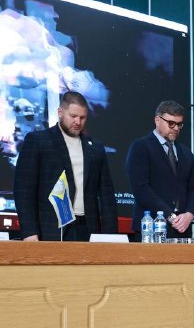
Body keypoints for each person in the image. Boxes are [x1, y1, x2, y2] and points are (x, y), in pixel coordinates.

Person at [14, 90, 118, 241]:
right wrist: (29, 231)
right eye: (73, 116)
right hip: (50, 229)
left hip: (88, 228)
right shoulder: (38, 141)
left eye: (82, 117)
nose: (78, 122)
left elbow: (107, 194)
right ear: (60, 113)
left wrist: (111, 236)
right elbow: (23, 189)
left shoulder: (96, 147)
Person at [125, 100, 194, 240]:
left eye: (179, 124)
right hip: (150, 227)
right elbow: (141, 189)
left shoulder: (186, 152)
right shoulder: (141, 147)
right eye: (171, 123)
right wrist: (169, 215)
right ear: (157, 120)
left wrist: (189, 215)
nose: (176, 128)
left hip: (182, 229)